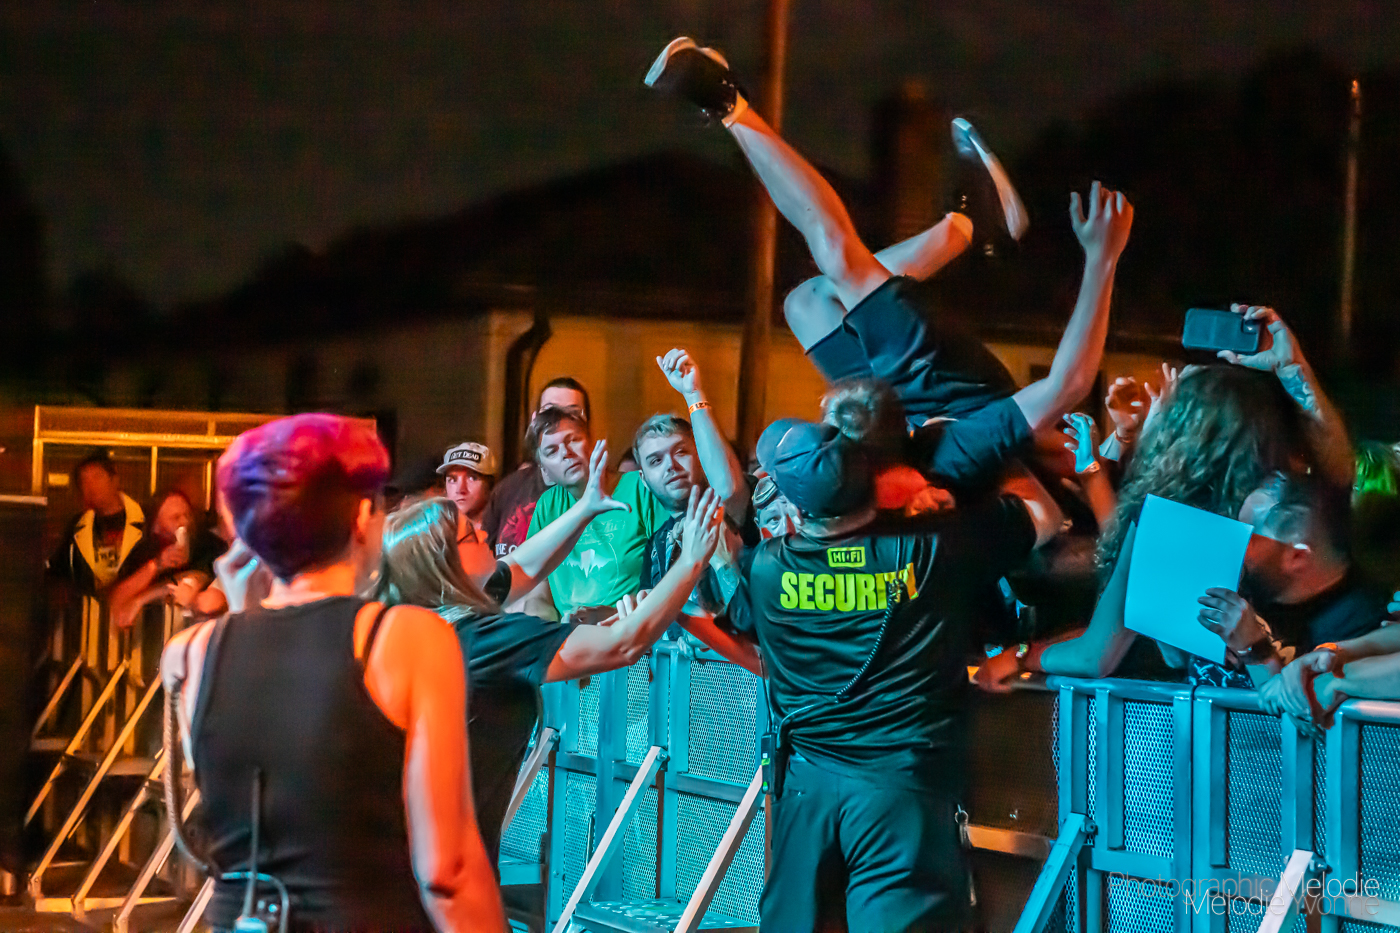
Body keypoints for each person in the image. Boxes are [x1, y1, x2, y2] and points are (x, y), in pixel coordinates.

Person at [646, 38, 1135, 492]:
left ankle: (967, 228)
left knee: (807, 302)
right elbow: (1068, 385)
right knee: (838, 256)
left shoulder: (861, 484)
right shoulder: (970, 450)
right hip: (949, 397)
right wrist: (1102, 259)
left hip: (896, 418)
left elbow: (740, 492)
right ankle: (728, 103)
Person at [160, 414, 506, 933]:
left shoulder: (190, 653)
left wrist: (242, 606)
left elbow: (259, 800)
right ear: (363, 516)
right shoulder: (406, 638)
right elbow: (446, 870)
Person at [716, 417, 1062, 931]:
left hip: (808, 789)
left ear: (797, 507)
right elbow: (1046, 517)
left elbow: (737, 615)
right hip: (904, 791)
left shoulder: (768, 568)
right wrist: (989, 448)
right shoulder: (935, 548)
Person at [377, 469, 725, 866]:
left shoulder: (425, 619)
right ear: (445, 565)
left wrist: (585, 508)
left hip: (411, 845)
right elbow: (623, 644)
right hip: (442, 860)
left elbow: (522, 568)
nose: (485, 532)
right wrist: (690, 560)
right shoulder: (483, 639)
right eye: (470, 536)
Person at [523, 407, 666, 620]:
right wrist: (547, 628)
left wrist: (615, 616)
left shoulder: (640, 488)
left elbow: (672, 578)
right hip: (568, 635)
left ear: (593, 443)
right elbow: (537, 590)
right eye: (551, 451)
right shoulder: (547, 506)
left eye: (573, 440)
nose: (566, 453)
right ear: (545, 472)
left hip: (631, 630)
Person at [481, 377, 591, 558]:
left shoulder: (601, 491)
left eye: (572, 413)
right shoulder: (508, 490)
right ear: (534, 421)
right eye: (549, 412)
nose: (559, 422)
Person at [108, 489, 229, 630]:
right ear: (156, 526)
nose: (184, 522)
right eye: (175, 518)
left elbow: (196, 578)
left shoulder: (207, 544)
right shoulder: (143, 551)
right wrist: (157, 565)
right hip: (150, 635)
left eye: (187, 515)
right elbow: (118, 599)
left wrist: (140, 600)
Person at [438, 441, 500, 579]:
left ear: (490, 485)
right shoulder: (436, 536)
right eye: (452, 480)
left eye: (472, 478)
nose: (460, 489)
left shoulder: (503, 532)